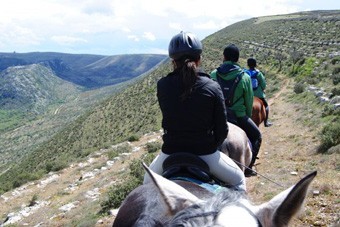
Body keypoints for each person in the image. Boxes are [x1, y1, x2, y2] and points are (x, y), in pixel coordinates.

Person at [143, 32, 246, 191]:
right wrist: (211, 147)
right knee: (239, 181)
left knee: (146, 184)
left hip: (170, 152)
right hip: (205, 153)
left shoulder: (162, 85)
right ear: (199, 59)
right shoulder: (212, 86)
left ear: (173, 62)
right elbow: (222, 129)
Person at [210, 44, 261, 177]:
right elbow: (249, 101)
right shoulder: (244, 77)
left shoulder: (214, 74)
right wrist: (246, 116)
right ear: (237, 59)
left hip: (217, 116)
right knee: (257, 136)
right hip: (238, 116)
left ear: (224, 57)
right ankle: (249, 168)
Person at [245, 57, 273, 127]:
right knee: (266, 106)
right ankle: (266, 122)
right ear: (255, 64)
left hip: (248, 95)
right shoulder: (258, 73)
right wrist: (262, 89)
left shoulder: (245, 73)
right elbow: (263, 84)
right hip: (258, 95)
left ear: (248, 64)